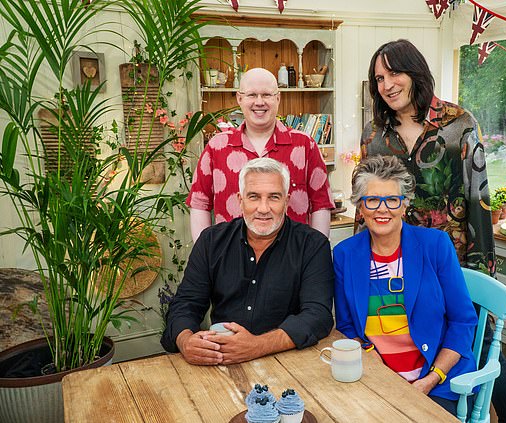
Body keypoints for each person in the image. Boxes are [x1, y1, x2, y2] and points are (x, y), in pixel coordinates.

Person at [360, 39, 506, 422]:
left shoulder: (458, 123)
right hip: (400, 259)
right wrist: (364, 260)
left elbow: (478, 197)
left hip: (455, 253)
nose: (387, 84)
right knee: (421, 337)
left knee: (479, 343)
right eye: (379, 78)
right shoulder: (375, 132)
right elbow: (368, 196)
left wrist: (482, 265)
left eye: (394, 73)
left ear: (415, 72)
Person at [334, 155, 478, 416]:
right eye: (372, 200)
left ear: (404, 204)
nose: (382, 209)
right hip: (376, 378)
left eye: (392, 200)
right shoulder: (345, 254)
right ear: (360, 206)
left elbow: (463, 321)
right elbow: (346, 325)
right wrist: (370, 357)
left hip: (437, 382)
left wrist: (430, 379)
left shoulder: (435, 245)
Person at [161, 157, 334, 365]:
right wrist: (185, 340)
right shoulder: (212, 241)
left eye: (274, 197)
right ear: (240, 200)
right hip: (220, 359)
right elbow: (185, 304)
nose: (263, 208)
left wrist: (258, 345)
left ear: (287, 201)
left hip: (289, 361)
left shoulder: (312, 245)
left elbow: (317, 316)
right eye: (253, 197)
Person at [186, 67, 333, 243]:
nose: (259, 102)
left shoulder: (305, 145)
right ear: (239, 98)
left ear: (278, 98)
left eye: (267, 95)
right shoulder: (217, 147)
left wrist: (315, 254)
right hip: (230, 261)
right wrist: (205, 254)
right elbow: (199, 203)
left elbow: (321, 204)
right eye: (251, 95)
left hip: (293, 261)